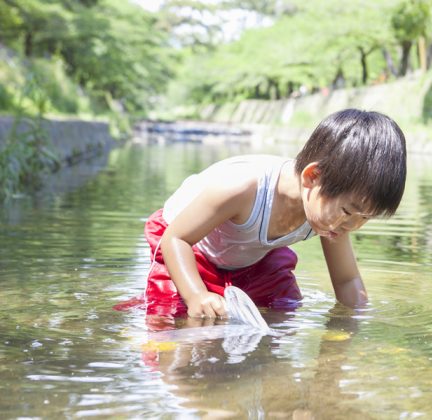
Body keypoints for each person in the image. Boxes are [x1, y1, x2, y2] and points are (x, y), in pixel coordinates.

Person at [142, 109, 407, 319]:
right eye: (349, 211)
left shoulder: (331, 216)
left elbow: (347, 280)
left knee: (283, 308)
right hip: (187, 244)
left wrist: (356, 322)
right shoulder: (241, 188)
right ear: (313, 177)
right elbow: (175, 239)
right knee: (175, 314)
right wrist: (196, 295)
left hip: (251, 253)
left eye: (366, 217)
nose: (353, 225)